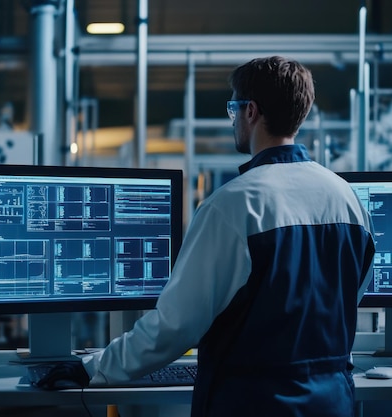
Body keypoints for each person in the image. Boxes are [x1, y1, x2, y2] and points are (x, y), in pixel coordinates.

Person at [85, 56, 375, 417]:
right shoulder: (347, 199)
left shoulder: (232, 205)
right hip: (331, 403)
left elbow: (176, 326)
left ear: (250, 111)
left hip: (252, 404)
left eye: (233, 108)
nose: (233, 119)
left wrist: (94, 368)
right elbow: (351, 296)